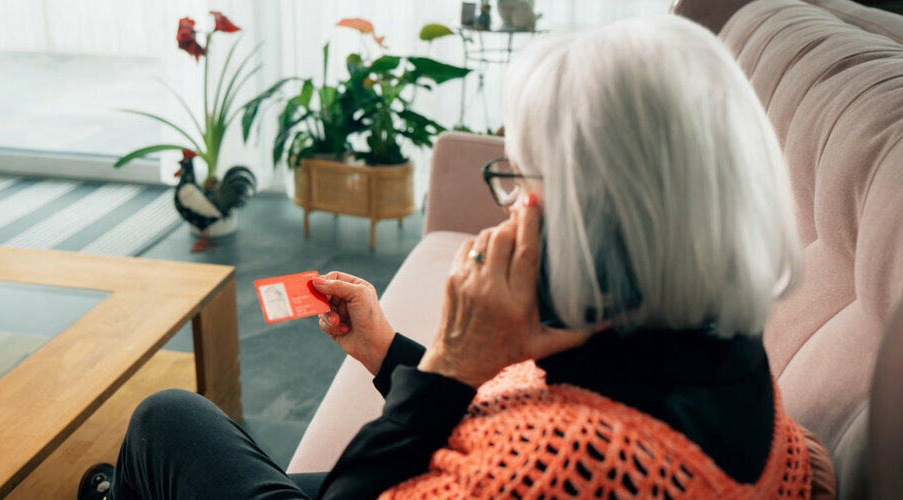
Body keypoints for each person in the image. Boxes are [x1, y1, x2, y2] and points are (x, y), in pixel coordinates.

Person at [79, 14, 830, 500]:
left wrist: (445, 369)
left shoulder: (569, 460)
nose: (510, 208)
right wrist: (388, 352)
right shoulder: (723, 353)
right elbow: (514, 411)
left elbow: (501, 446)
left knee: (166, 421)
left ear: (606, 214)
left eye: (522, 177)